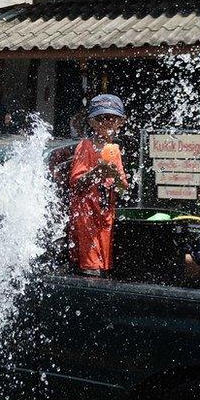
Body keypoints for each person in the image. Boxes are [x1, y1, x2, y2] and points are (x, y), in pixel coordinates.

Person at [67, 94, 129, 276]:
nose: (107, 123)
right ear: (92, 122)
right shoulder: (86, 146)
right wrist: (95, 172)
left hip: (105, 216)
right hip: (87, 216)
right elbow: (75, 183)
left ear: (121, 122)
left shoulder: (114, 151)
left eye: (112, 118)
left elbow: (123, 187)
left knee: (103, 267)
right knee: (90, 268)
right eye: (101, 119)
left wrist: (116, 177)